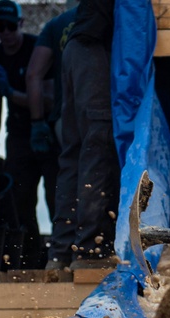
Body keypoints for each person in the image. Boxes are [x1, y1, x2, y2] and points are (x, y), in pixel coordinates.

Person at [45, 0, 119, 270]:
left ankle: (61, 252)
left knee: (75, 154)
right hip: (93, 47)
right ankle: (91, 250)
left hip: (79, 47)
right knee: (97, 148)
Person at [0, 0, 58, 268]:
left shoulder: (38, 49)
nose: (6, 32)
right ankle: (31, 260)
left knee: (57, 197)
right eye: (0, 27)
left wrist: (12, 94)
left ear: (21, 24)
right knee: (20, 202)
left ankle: (61, 255)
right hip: (18, 136)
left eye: (11, 26)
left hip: (48, 132)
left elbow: (49, 99)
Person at [25, 3, 77, 155]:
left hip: (67, 118)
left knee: (73, 172)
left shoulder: (58, 24)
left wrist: (37, 122)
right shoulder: (116, 16)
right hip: (108, 116)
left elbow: (33, 75)